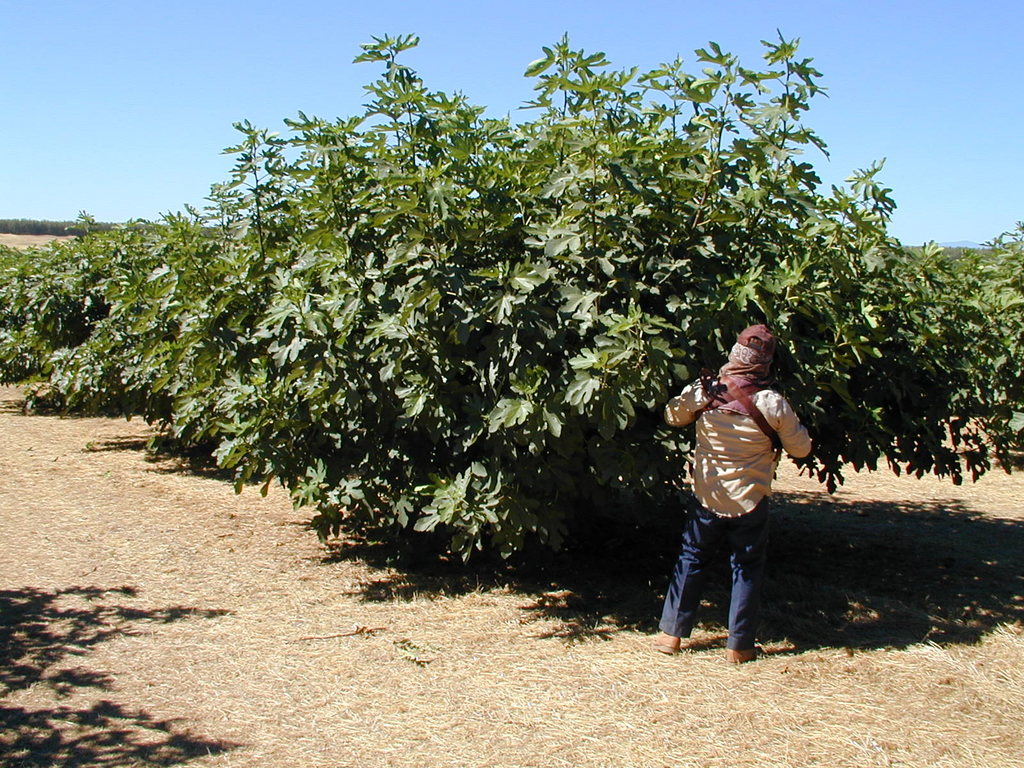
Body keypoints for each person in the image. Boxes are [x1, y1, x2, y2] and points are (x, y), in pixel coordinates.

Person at [654, 323, 811, 662]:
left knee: (692, 557)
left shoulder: (705, 390)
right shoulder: (773, 403)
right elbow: (801, 449)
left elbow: (671, 416)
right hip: (750, 496)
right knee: (747, 566)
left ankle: (671, 636)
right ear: (765, 363)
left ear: (735, 354)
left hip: (707, 492)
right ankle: (739, 646)